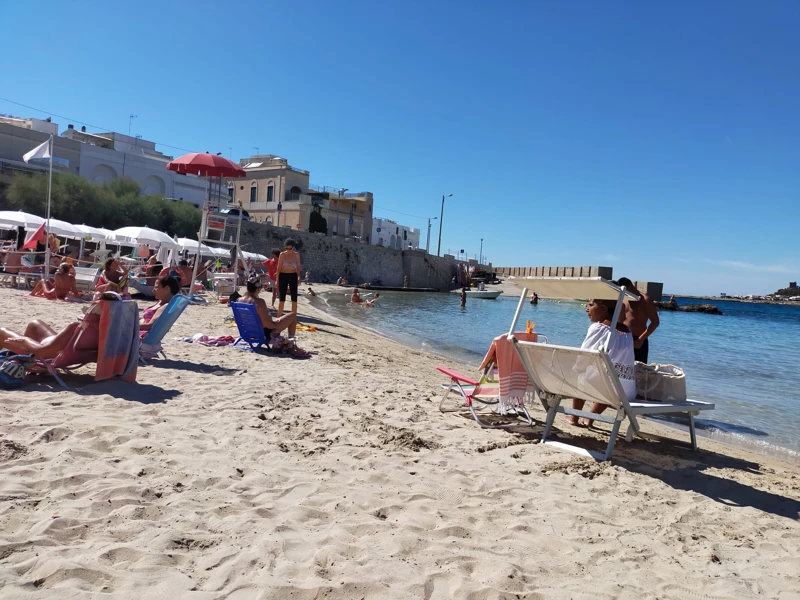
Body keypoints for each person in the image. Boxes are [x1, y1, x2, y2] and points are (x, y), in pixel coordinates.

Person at [567, 298, 635, 427]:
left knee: (580, 373)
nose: (587, 309)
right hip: (624, 390)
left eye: (591, 305)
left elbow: (584, 356)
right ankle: (590, 418)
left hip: (603, 387)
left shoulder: (598, 328)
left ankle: (574, 417)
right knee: (611, 376)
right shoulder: (627, 331)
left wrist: (577, 368)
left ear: (604, 309)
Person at [239, 274, 308, 356]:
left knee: (280, 319)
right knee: (292, 315)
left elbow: (237, 320)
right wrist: (276, 323)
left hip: (248, 332)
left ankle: (290, 342)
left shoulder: (239, 300)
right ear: (257, 288)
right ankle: (291, 343)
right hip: (263, 333)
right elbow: (267, 324)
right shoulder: (259, 302)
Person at [617, 277, 659, 364]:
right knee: (619, 367)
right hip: (623, 338)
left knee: (638, 371)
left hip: (638, 340)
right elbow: (620, 319)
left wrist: (640, 339)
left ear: (630, 287)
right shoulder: (624, 298)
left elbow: (655, 322)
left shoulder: (645, 300)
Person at [275, 238, 301, 317]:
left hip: (293, 275)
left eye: (290, 248)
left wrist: (299, 277)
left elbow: (297, 266)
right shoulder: (282, 254)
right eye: (287, 248)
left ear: (293, 247)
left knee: (294, 297)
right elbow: (279, 267)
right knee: (282, 297)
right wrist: (277, 280)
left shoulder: (296, 255)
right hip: (283, 275)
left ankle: (293, 317)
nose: (288, 250)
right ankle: (279, 316)